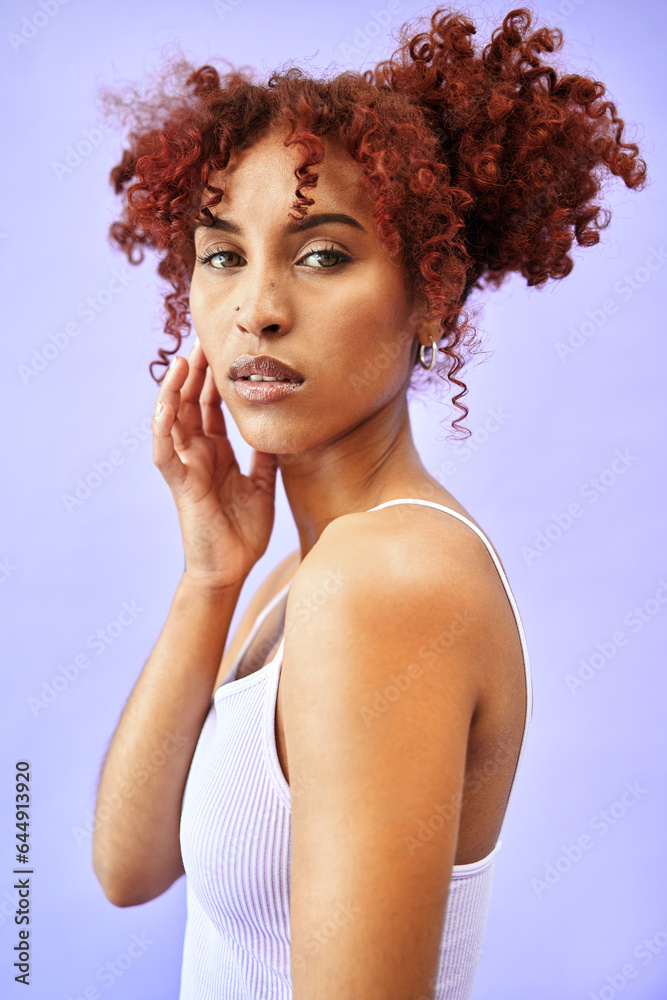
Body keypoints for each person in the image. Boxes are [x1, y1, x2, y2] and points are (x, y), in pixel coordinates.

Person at [91, 6, 646, 998]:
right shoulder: (305, 571)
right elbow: (128, 867)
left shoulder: (382, 579)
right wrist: (209, 579)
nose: (257, 306)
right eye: (223, 253)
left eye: (321, 255)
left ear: (431, 296)